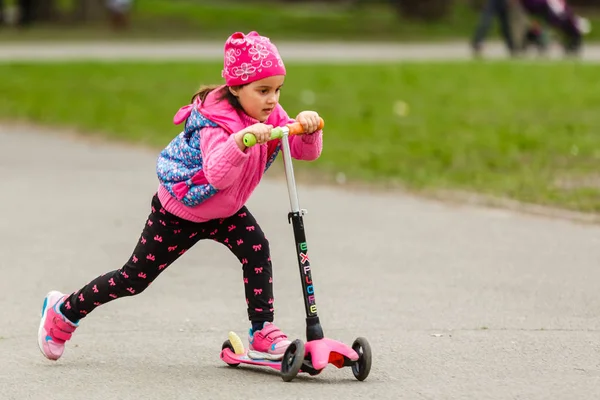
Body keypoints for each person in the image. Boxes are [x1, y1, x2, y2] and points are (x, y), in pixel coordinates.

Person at [37, 31, 324, 362]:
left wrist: (309, 129)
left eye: (277, 90)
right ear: (235, 88)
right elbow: (217, 174)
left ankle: (261, 331)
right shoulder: (214, 124)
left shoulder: (268, 114)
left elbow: (301, 151)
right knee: (133, 279)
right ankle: (64, 310)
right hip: (180, 212)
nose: (272, 99)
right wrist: (241, 141)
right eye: (263, 90)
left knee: (257, 250)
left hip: (225, 212)